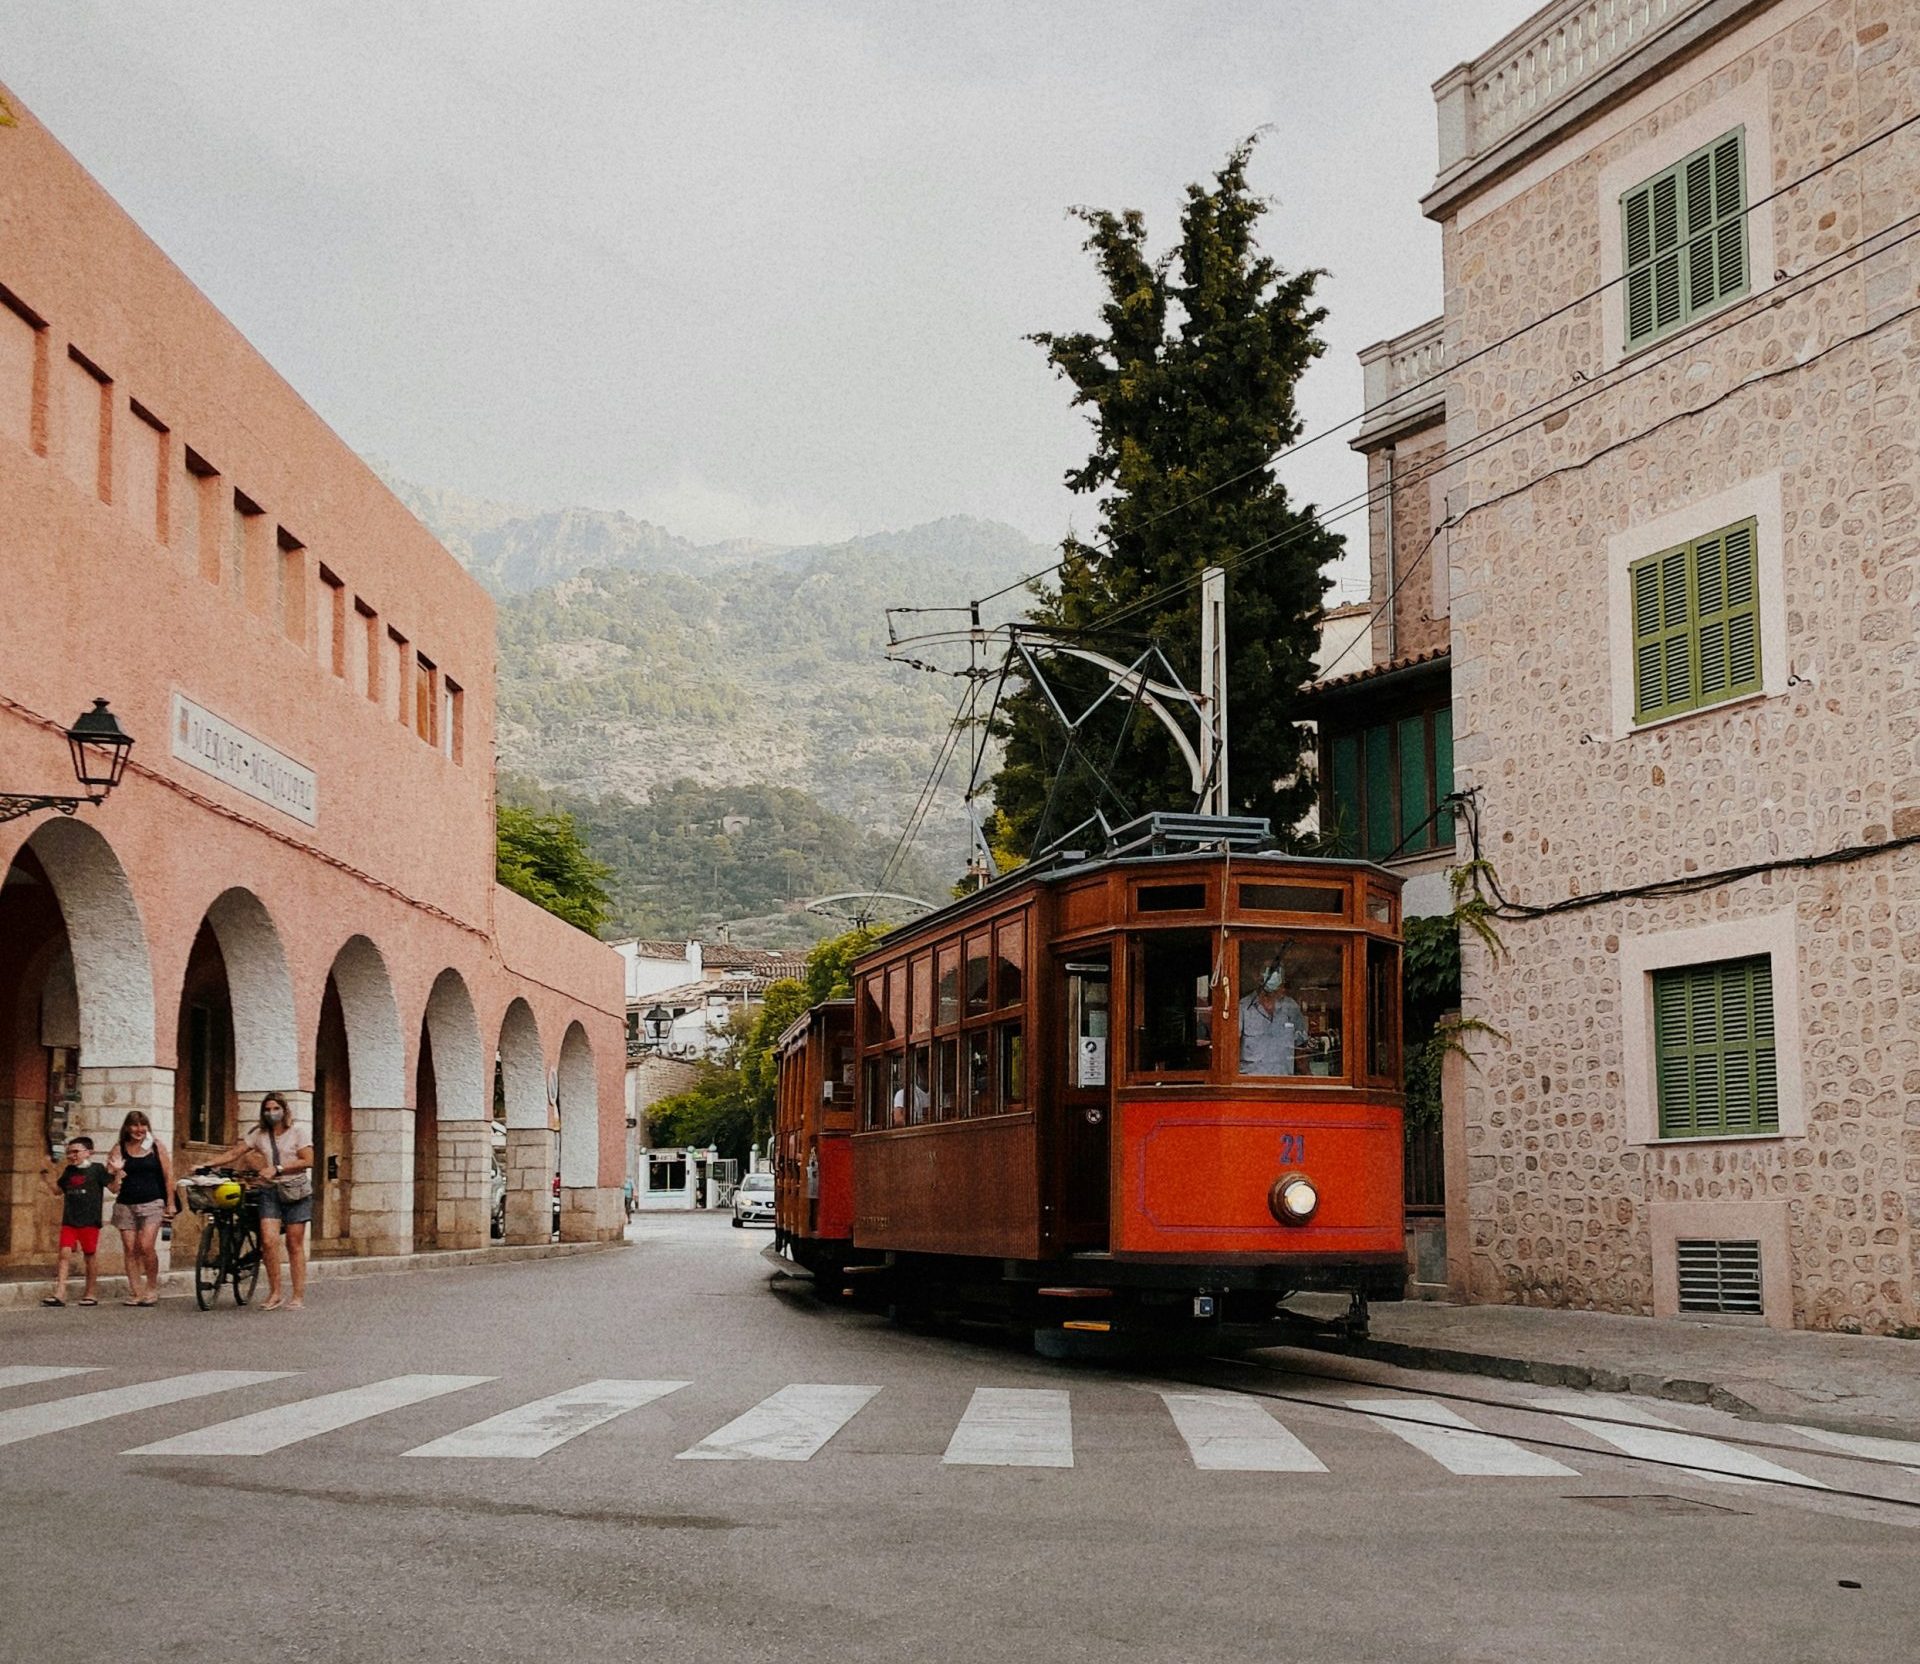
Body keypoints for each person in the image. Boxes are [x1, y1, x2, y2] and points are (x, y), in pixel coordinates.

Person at [209, 1092, 314, 1310]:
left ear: (284, 1110)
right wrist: (208, 1163)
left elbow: (308, 1160)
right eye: (267, 1109)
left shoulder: (298, 1132)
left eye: (276, 1108)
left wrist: (278, 1168)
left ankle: (297, 1295)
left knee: (294, 1243)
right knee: (267, 1240)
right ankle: (275, 1292)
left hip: (295, 1190)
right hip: (270, 1191)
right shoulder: (259, 1134)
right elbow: (236, 1152)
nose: (271, 1113)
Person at [106, 1110, 174, 1306]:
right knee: (130, 1248)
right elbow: (112, 1186)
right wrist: (117, 1172)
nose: (139, 1130)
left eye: (142, 1125)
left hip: (152, 1202)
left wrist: (169, 1202)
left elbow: (168, 1175)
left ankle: (151, 1288)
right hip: (126, 1203)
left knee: (146, 1246)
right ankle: (136, 1291)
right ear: (127, 1128)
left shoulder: (156, 1146)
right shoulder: (119, 1148)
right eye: (134, 1125)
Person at [42, 1135, 117, 1307]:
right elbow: (57, 1191)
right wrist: (48, 1173)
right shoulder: (69, 1171)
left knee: (89, 1255)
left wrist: (117, 1172)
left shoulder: (97, 1169)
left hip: (89, 1220)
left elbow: (113, 1188)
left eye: (76, 1152)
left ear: (89, 1152)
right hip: (70, 1220)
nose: (72, 1156)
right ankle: (60, 1292)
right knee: (64, 1253)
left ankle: (90, 1292)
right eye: (69, 1153)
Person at [1238, 957, 1306, 1076]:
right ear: (1256, 975)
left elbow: (1301, 1048)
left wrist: (1309, 1076)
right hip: (1250, 1087)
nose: (1274, 975)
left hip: (1283, 1085)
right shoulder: (1243, 1008)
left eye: (1277, 971)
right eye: (1269, 970)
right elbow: (1231, 1050)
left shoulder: (1291, 1007)